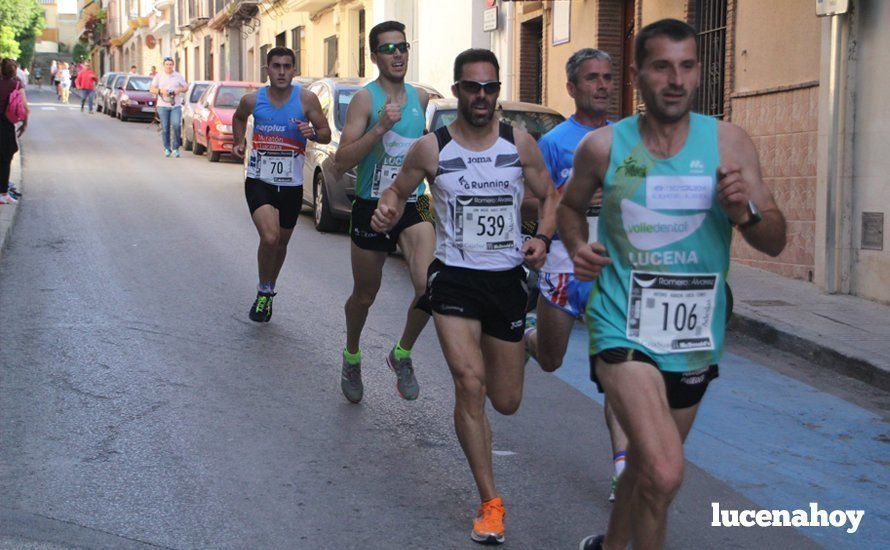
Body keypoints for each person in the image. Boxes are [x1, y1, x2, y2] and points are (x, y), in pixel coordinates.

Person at [556, 20, 787, 550]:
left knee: (642, 470)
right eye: (662, 66)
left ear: (699, 73)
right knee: (663, 471)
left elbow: (774, 238)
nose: (676, 79)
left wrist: (744, 212)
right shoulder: (603, 146)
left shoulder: (729, 143)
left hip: (692, 339)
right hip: (622, 326)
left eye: (686, 66)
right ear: (637, 76)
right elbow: (568, 208)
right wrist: (577, 247)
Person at [372, 48, 558, 545]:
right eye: (472, 87)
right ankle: (490, 503)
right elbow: (397, 190)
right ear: (456, 91)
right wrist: (387, 210)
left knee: (508, 400)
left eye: (490, 87)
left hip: (505, 282)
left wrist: (540, 237)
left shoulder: (520, 144)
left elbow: (550, 195)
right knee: (468, 383)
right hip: (453, 278)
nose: (482, 96)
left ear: (498, 91)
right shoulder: (431, 148)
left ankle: (528, 342)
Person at [521, 48, 629, 504]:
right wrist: (571, 199)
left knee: (619, 370)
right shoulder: (555, 141)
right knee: (551, 359)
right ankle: (528, 338)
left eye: (608, 77)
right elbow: (530, 202)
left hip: (613, 267)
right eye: (592, 79)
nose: (603, 85)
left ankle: (623, 468)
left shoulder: (627, 139)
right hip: (564, 264)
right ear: (572, 88)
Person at [333, 20, 433, 404]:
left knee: (430, 287)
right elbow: (341, 163)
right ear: (374, 56)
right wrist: (378, 129)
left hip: (413, 201)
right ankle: (352, 355)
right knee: (365, 295)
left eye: (402, 47)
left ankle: (402, 354)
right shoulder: (365, 100)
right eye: (389, 49)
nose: (398, 54)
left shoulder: (421, 98)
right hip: (371, 204)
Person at [232, 47, 331, 322]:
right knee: (270, 237)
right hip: (259, 179)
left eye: (287, 66)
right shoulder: (253, 100)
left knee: (282, 243)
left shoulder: (307, 100)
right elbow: (239, 118)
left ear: (294, 70)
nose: (282, 72)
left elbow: (326, 133)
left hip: (291, 183)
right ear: (267, 70)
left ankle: (269, 286)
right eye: (276, 66)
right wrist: (238, 141)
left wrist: (313, 132)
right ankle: (264, 291)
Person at [1, 59, 28, 205]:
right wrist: (24, 123)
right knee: (6, 158)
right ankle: (3, 193)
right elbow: (23, 106)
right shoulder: (16, 85)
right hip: (6, 124)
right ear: (13, 71)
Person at [150, 57, 188, 157]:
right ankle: (167, 148)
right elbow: (151, 89)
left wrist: (179, 90)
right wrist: (160, 91)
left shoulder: (178, 76)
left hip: (175, 105)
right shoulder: (159, 76)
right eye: (167, 64)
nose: (169, 66)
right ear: (164, 65)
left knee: (176, 125)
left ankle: (175, 148)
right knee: (165, 128)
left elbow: (186, 87)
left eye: (170, 64)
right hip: (162, 106)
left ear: (173, 65)